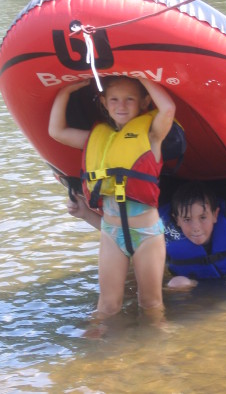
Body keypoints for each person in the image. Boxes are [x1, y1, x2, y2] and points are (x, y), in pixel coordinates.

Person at [48, 75, 176, 326]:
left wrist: (143, 76)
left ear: (143, 102)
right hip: (112, 234)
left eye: (130, 99)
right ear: (104, 102)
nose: (122, 105)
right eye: (114, 99)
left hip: (147, 234)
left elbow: (168, 108)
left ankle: (158, 355)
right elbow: (56, 131)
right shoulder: (96, 138)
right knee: (107, 306)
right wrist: (65, 91)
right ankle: (95, 355)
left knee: (150, 305)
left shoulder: (152, 136)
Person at [67, 175, 226, 292]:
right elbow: (123, 236)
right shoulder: (164, 230)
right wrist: (86, 214)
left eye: (203, 217)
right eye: (187, 220)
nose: (196, 227)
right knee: (175, 284)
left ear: (215, 214)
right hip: (192, 286)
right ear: (177, 219)